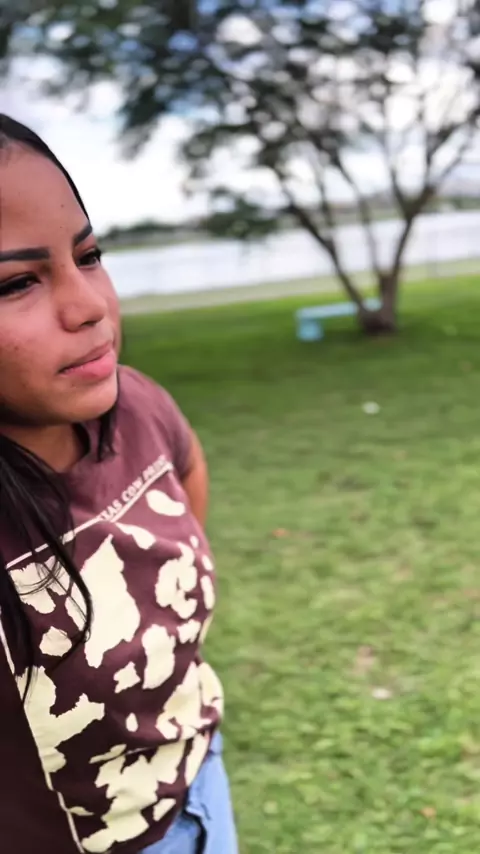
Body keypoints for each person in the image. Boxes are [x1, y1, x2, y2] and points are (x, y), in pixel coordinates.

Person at [0, 114, 238, 854]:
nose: (90, 305)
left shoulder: (138, 405)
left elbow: (188, 493)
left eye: (89, 255)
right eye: (15, 282)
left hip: (202, 783)